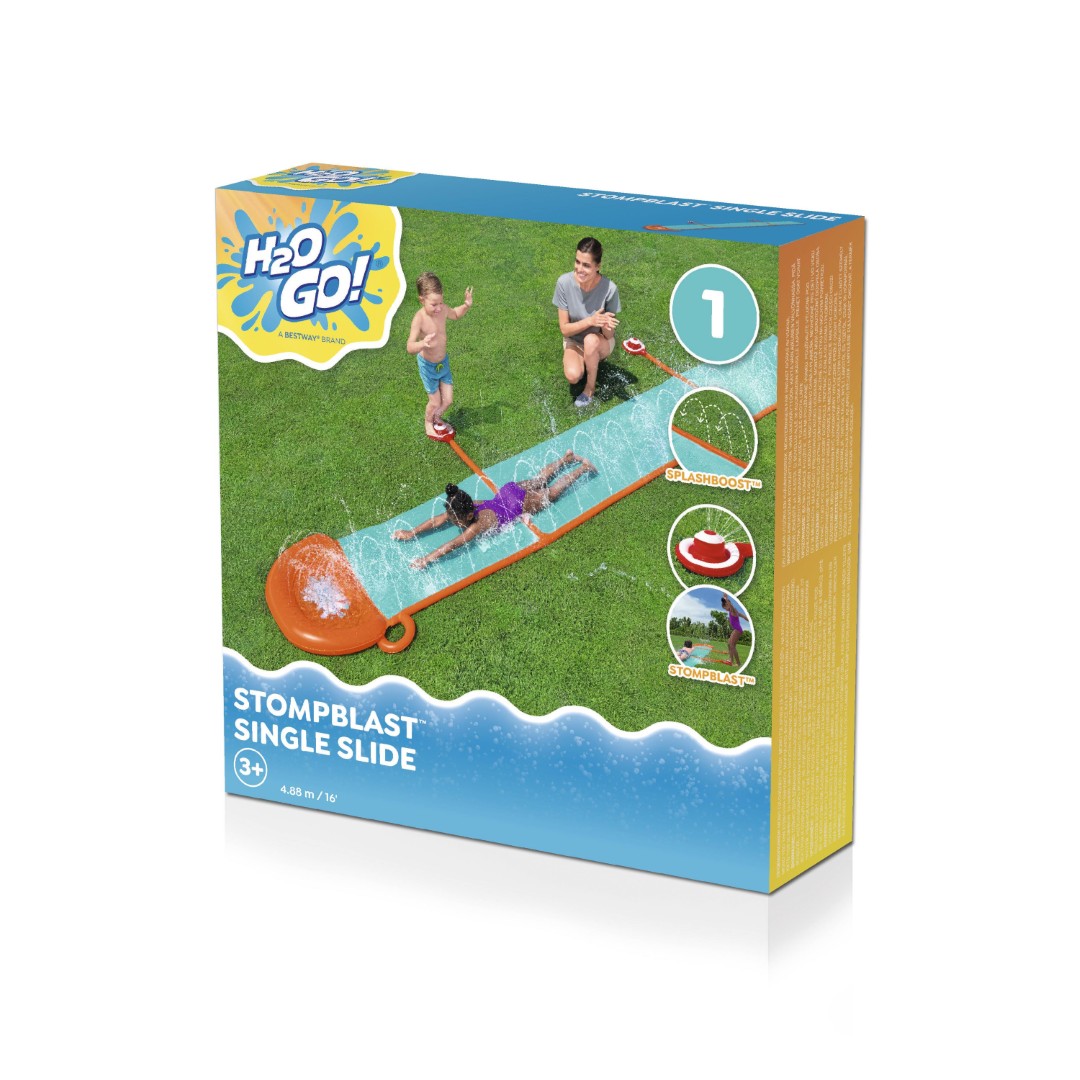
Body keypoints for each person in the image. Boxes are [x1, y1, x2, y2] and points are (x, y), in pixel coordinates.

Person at [392, 451, 596, 570]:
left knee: (551, 493)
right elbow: (438, 520)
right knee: (539, 480)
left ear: (468, 516)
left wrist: (426, 559)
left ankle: (583, 468)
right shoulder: (468, 504)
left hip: (519, 504)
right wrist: (412, 532)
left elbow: (453, 544)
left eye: (456, 522)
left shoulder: (476, 526)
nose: (454, 523)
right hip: (509, 491)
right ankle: (566, 458)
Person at [552, 238, 620, 408]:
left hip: (599, 341)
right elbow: (564, 330)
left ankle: (590, 388)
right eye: (577, 262)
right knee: (573, 376)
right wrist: (591, 320)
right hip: (574, 340)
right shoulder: (564, 283)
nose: (579, 269)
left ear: (598, 266)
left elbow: (609, 335)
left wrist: (605, 326)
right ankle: (588, 359)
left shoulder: (610, 289)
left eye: (586, 265)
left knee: (591, 340)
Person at [406, 272, 473, 438]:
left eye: (441, 302)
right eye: (434, 304)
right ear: (422, 300)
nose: (438, 308)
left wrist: (466, 305)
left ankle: (436, 417)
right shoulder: (419, 319)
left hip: (443, 363)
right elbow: (410, 347)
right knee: (435, 401)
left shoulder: (442, 310)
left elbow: (455, 314)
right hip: (428, 366)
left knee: (448, 400)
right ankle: (428, 423)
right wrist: (422, 344)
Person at [721, 595, 747, 667]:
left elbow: (731, 605)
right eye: (724, 608)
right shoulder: (733, 611)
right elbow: (743, 616)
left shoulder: (733, 610)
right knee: (729, 643)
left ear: (728, 604)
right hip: (736, 629)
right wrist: (747, 618)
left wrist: (726, 599)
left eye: (725, 607)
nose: (725, 609)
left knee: (732, 645)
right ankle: (731, 660)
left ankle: (738, 664)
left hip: (737, 630)